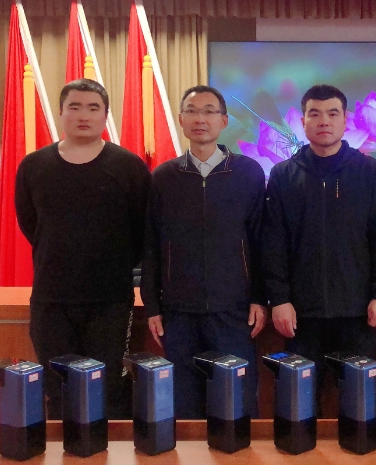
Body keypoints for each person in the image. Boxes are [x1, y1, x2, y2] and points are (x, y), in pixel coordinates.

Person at [15, 79, 151, 419]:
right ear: (61, 112)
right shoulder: (34, 166)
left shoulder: (128, 166)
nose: (83, 115)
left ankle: (105, 447)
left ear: (105, 115)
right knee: (58, 386)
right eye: (74, 107)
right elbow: (31, 225)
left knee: (107, 388)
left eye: (93, 108)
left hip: (110, 300)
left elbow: (142, 230)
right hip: (51, 298)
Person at [140, 85, 266, 419]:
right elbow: (152, 245)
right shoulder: (164, 177)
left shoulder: (248, 173)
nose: (200, 119)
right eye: (192, 111)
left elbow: (261, 242)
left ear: (223, 121)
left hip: (234, 311)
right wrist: (153, 305)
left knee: (236, 405)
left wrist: (259, 298)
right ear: (181, 119)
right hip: (179, 313)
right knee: (184, 406)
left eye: (209, 111)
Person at [262, 84, 376, 385]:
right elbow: (274, 243)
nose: (324, 121)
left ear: (346, 120)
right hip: (301, 315)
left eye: (333, 113)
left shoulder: (370, 171)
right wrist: (279, 299)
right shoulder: (283, 175)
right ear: (303, 122)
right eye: (315, 114)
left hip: (358, 312)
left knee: (359, 399)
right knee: (301, 399)